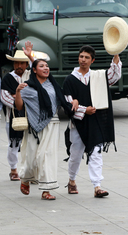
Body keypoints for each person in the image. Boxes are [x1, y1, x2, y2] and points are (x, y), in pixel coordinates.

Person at [63, 45, 121, 198]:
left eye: (87, 57)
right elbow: (68, 102)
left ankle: (97, 186)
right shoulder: (70, 79)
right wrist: (84, 110)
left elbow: (113, 77)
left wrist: (116, 56)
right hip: (78, 122)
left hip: (95, 122)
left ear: (92, 60)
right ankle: (72, 180)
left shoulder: (97, 76)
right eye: (81, 56)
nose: (83, 60)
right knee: (76, 154)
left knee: (95, 152)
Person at [15, 59, 75, 200]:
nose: (46, 68)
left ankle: (46, 190)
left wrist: (74, 102)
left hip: (52, 124)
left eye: (47, 66)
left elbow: (64, 100)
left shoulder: (53, 86)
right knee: (30, 159)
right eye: (41, 66)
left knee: (46, 155)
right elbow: (18, 106)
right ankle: (25, 179)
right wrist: (18, 91)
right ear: (34, 70)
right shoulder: (27, 87)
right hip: (32, 128)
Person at [1, 42, 33, 181]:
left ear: (26, 64)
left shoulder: (30, 76)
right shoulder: (8, 78)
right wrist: (20, 101)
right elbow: (4, 97)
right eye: (16, 63)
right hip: (12, 117)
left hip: (31, 117)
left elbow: (34, 94)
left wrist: (18, 96)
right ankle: (13, 169)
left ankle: (28, 169)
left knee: (30, 144)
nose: (19, 66)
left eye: (22, 63)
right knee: (13, 143)